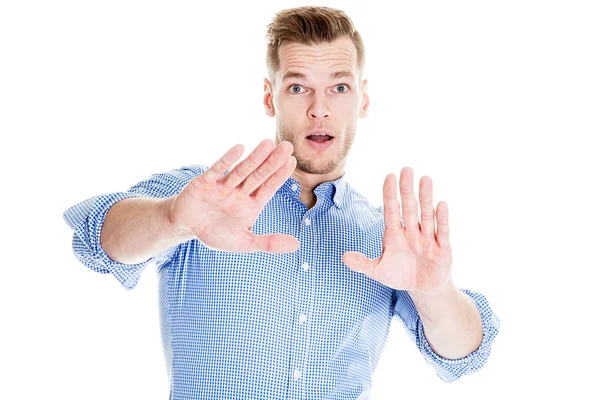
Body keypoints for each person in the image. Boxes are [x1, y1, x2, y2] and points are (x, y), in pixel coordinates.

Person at [63, 5, 500, 399]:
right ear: (270, 96)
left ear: (362, 99)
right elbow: (95, 239)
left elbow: (464, 356)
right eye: (297, 88)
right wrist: (172, 220)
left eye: (339, 88)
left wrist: (434, 290)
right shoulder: (206, 199)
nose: (319, 109)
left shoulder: (386, 238)